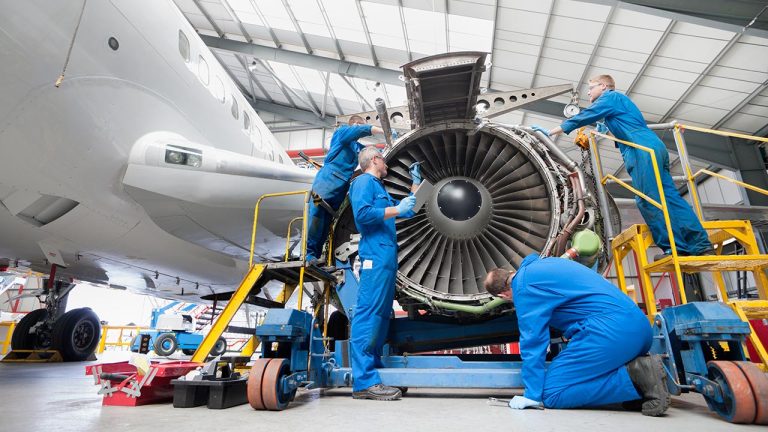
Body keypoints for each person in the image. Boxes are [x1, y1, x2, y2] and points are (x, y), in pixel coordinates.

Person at [531, 75, 712, 258]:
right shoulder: (617, 102)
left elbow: (585, 116)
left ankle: (674, 248)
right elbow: (610, 122)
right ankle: (700, 244)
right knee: (670, 197)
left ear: (603, 86)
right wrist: (600, 130)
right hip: (652, 147)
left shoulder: (610, 97)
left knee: (647, 200)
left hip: (640, 150)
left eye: (591, 87)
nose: (588, 92)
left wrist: (550, 132)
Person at [484, 254, 670, 416]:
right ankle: (637, 389)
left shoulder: (523, 288)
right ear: (509, 271)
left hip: (611, 332)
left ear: (503, 296)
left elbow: (532, 342)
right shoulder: (543, 264)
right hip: (641, 328)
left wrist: (532, 395)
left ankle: (637, 377)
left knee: (552, 393)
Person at [348, 146, 419, 400]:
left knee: (380, 317)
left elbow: (407, 210)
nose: (386, 164)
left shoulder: (379, 188)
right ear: (375, 159)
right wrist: (398, 209)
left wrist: (416, 185)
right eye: (384, 159)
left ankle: (375, 374)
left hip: (387, 258)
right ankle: (364, 382)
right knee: (368, 314)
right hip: (375, 257)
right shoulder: (363, 182)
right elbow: (364, 215)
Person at [305, 116, 385, 266]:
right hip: (326, 183)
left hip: (339, 190)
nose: (359, 127)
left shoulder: (356, 148)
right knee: (315, 218)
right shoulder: (341, 133)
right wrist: (384, 131)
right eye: (358, 125)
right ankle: (308, 255)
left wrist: (387, 147)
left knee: (325, 223)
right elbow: (358, 130)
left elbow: (372, 154)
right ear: (353, 124)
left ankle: (315, 257)